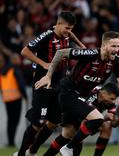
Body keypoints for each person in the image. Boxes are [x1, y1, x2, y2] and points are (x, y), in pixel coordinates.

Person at [35, 31, 119, 156]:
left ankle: (52, 151)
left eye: (118, 46)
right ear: (104, 45)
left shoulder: (116, 61)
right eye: (113, 46)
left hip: (79, 98)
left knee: (68, 134)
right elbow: (61, 53)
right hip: (67, 93)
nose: (116, 49)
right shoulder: (91, 54)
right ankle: (64, 148)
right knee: (96, 119)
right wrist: (48, 76)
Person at [15, 11, 85, 156]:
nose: (69, 32)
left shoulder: (66, 35)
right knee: (38, 123)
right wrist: (44, 64)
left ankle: (32, 151)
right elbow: (25, 51)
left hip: (60, 85)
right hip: (43, 84)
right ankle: (21, 153)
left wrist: (78, 42)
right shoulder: (47, 36)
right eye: (67, 28)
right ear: (58, 24)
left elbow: (75, 40)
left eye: (71, 28)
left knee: (53, 123)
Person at [42, 82, 119, 156]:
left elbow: (113, 124)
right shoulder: (92, 92)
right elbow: (85, 114)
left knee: (107, 126)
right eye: (112, 98)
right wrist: (104, 118)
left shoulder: (112, 103)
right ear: (103, 93)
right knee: (68, 135)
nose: (113, 101)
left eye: (114, 99)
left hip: (87, 120)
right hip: (71, 112)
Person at [0, 53, 27, 147]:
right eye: (18, 59)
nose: (20, 60)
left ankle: (10, 141)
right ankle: (11, 142)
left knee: (10, 121)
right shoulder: (15, 69)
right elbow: (21, 84)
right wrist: (25, 96)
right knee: (15, 121)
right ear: (13, 60)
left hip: (7, 99)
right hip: (16, 98)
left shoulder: (3, 70)